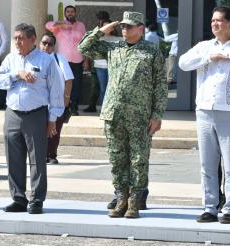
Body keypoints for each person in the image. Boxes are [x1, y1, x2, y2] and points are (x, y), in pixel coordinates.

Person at [78, 11, 167, 219]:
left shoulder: (152, 51)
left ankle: (135, 202)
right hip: (114, 112)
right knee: (117, 159)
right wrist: (101, 31)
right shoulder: (113, 47)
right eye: (123, 26)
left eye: (130, 26)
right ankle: (121, 200)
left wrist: (157, 115)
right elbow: (83, 47)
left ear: (141, 28)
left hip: (139, 116)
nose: (125, 29)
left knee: (138, 160)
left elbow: (160, 86)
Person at [178, 6, 230, 224]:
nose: (214, 24)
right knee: (207, 164)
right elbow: (183, 63)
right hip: (204, 111)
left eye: (219, 21)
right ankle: (209, 207)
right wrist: (207, 58)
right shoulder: (204, 47)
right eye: (212, 21)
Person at [0, 23, 65, 215]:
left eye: (21, 38)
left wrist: (52, 120)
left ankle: (37, 199)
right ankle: (18, 198)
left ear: (33, 40)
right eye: (15, 37)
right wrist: (17, 74)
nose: (17, 41)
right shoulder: (11, 59)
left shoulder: (46, 61)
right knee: (13, 158)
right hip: (13, 113)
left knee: (37, 160)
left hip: (36, 114)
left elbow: (56, 92)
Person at [46, 5, 86, 116]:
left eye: (72, 11)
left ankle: (74, 107)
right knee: (62, 84)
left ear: (75, 13)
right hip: (63, 60)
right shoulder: (59, 26)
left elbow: (85, 42)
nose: (70, 13)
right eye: (68, 11)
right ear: (65, 13)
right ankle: (64, 106)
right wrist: (62, 24)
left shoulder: (81, 25)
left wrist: (86, 59)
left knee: (76, 84)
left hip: (78, 60)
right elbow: (48, 25)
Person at [40, 33, 73, 165]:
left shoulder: (59, 59)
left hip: (57, 102)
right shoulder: (34, 58)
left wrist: (66, 97)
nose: (46, 46)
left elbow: (69, 79)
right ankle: (41, 154)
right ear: (39, 43)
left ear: (54, 46)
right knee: (40, 130)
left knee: (54, 129)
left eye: (50, 44)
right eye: (44, 43)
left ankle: (52, 154)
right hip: (39, 102)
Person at [85, 11, 116, 114]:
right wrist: (87, 62)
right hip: (100, 66)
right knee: (102, 88)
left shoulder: (117, 39)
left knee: (112, 89)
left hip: (113, 67)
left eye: (109, 26)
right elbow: (87, 49)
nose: (107, 28)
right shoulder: (96, 38)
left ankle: (112, 109)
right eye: (104, 26)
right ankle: (105, 109)